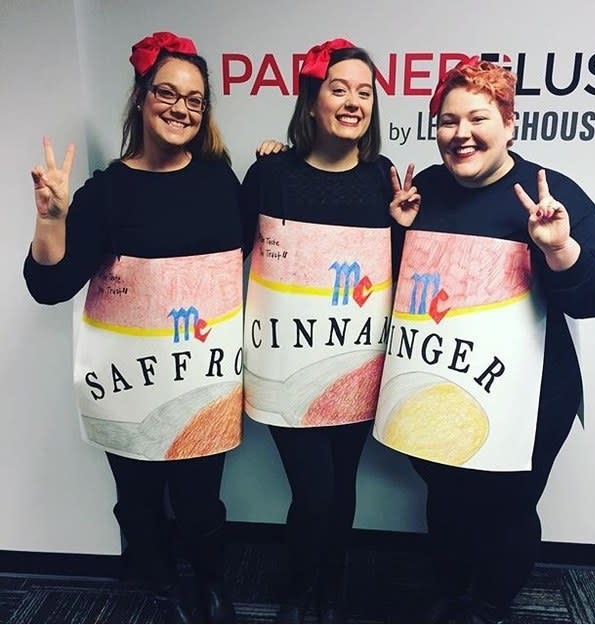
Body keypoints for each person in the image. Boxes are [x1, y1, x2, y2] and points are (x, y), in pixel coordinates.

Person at [373, 58, 595, 623]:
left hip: (533, 396)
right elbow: (399, 287)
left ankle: (488, 605)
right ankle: (452, 589)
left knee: (507, 507)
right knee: (444, 492)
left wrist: (558, 248)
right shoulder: (425, 189)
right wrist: (398, 232)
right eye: (447, 120)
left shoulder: (551, 193)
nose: (461, 134)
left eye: (478, 118)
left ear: (508, 123)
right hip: (441, 377)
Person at [23, 31, 244, 624]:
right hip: (128, 384)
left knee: (200, 502)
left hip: (203, 378)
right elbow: (49, 286)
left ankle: (211, 585)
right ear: (142, 99)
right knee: (140, 500)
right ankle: (157, 584)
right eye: (167, 93)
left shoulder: (222, 182)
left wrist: (275, 159)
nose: (181, 109)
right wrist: (51, 220)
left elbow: (262, 257)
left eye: (195, 100)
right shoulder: (106, 192)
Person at [240, 38, 413, 623]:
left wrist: (403, 229)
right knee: (314, 491)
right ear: (312, 99)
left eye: (364, 92)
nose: (353, 102)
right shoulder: (270, 173)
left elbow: (395, 271)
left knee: (341, 487)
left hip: (356, 367)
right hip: (288, 369)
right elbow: (224, 251)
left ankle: (328, 589)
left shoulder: (383, 178)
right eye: (339, 89)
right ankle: (297, 590)